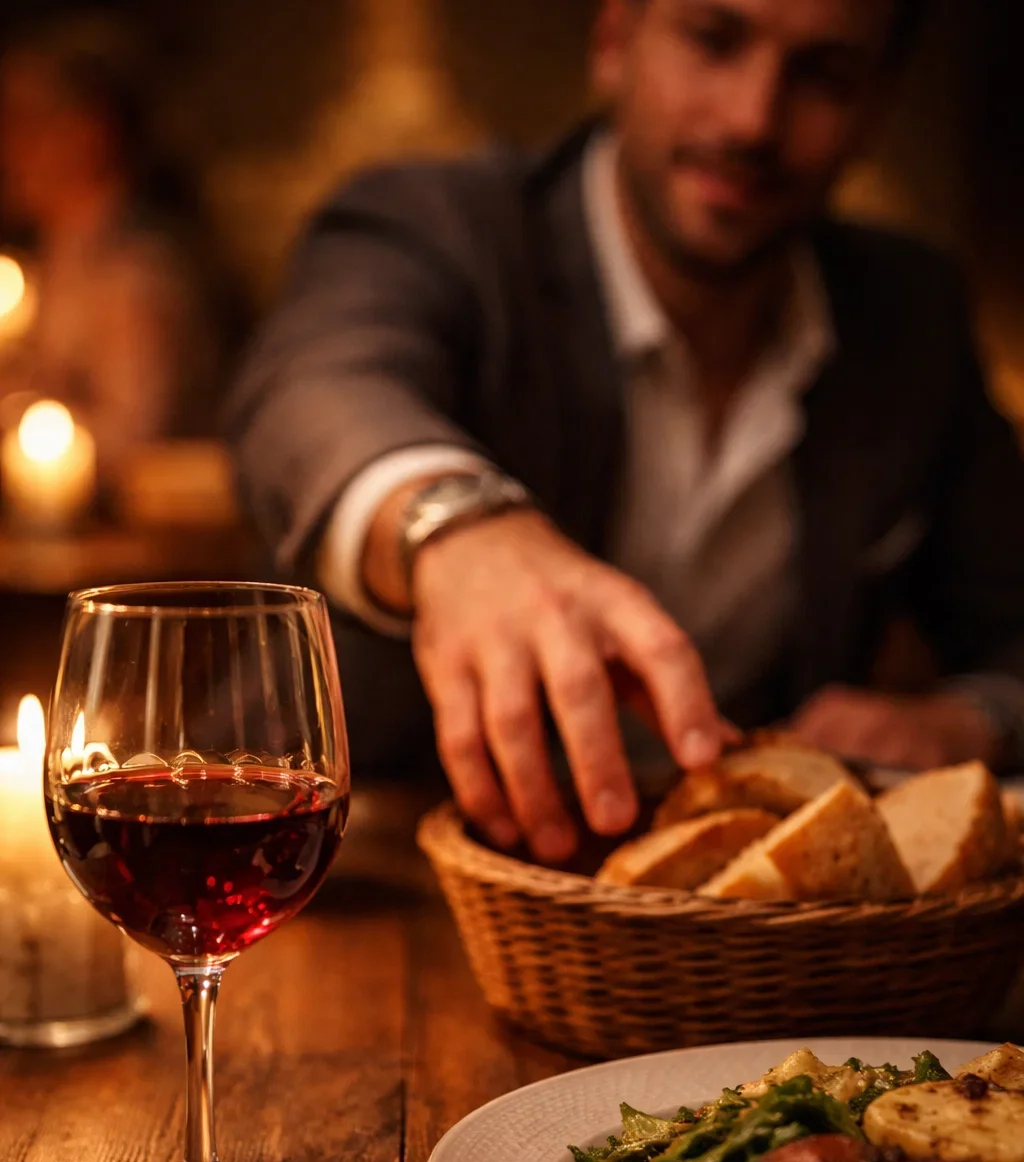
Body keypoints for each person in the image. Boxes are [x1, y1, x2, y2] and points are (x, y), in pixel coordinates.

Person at [230, 0, 1024, 865]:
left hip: (724, 956)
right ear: (615, 42)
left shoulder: (910, 313)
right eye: (714, 40)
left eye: (824, 76)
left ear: (875, 108)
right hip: (354, 875)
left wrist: (968, 720)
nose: (753, 119)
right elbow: (315, 388)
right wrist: (459, 530)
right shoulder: (434, 225)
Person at [0, 12, 226, 483]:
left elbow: (133, 444)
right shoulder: (33, 269)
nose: (9, 146)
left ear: (91, 131)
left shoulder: (140, 275)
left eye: (25, 120)